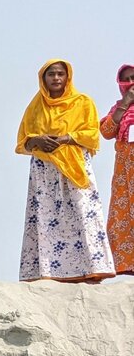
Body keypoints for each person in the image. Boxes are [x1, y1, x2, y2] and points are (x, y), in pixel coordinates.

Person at [16, 59, 114, 283]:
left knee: (83, 213)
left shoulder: (83, 102)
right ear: (43, 79)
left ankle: (91, 269)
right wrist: (37, 140)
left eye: (60, 74)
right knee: (46, 217)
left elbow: (92, 134)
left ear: (67, 76)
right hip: (45, 170)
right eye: (51, 74)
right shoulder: (36, 106)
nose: (56, 78)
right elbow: (23, 141)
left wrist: (67, 138)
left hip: (75, 165)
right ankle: (48, 271)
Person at [102, 64, 134, 275]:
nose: (131, 83)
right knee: (125, 216)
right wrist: (126, 103)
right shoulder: (118, 109)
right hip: (125, 174)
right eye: (127, 79)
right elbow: (106, 131)